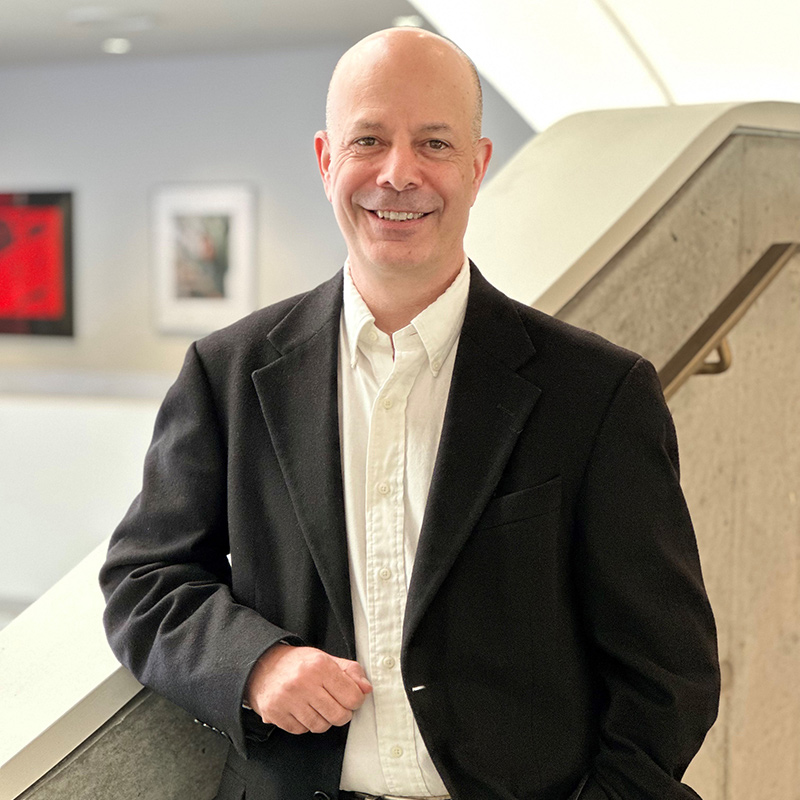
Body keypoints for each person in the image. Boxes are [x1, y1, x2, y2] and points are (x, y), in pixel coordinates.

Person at [100, 27, 720, 800]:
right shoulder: (228, 372)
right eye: (370, 140)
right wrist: (255, 664)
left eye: (433, 142)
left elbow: (669, 673)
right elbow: (144, 578)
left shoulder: (597, 391)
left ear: (477, 166)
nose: (399, 174)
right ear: (326, 160)